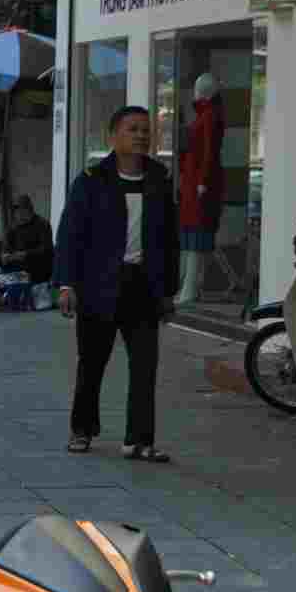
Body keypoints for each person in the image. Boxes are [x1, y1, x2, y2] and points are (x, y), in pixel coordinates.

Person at [54, 105, 179, 461]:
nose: (141, 135)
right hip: (99, 286)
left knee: (144, 366)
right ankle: (82, 430)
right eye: (132, 129)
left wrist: (168, 291)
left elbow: (170, 240)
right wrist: (66, 284)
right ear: (113, 137)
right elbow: (70, 235)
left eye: (145, 130)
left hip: (144, 286)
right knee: (91, 363)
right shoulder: (93, 179)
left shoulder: (158, 178)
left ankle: (139, 440)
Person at [177, 72, 225, 304]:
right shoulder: (204, 115)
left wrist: (203, 181)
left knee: (197, 235)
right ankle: (189, 286)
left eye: (198, 87)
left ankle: (190, 288)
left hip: (199, 186)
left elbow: (209, 152)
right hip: (193, 184)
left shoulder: (210, 116)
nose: (195, 91)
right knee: (191, 235)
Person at [2, 194, 54, 284]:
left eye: (22, 211)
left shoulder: (42, 224)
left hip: (39, 274)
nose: (19, 215)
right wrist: (5, 255)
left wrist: (26, 254)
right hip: (17, 274)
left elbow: (47, 249)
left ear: (30, 210)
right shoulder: (12, 226)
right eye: (17, 212)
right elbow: (6, 247)